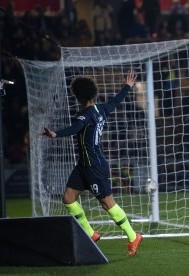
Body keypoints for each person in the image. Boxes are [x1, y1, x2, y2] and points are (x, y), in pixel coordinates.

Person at [42, 70, 142, 256]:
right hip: (84, 165)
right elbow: (116, 101)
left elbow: (75, 128)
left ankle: (132, 236)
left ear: (78, 97)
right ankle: (90, 233)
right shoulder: (101, 109)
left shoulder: (84, 115)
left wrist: (56, 134)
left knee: (107, 204)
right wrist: (127, 87)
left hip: (94, 166)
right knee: (68, 198)